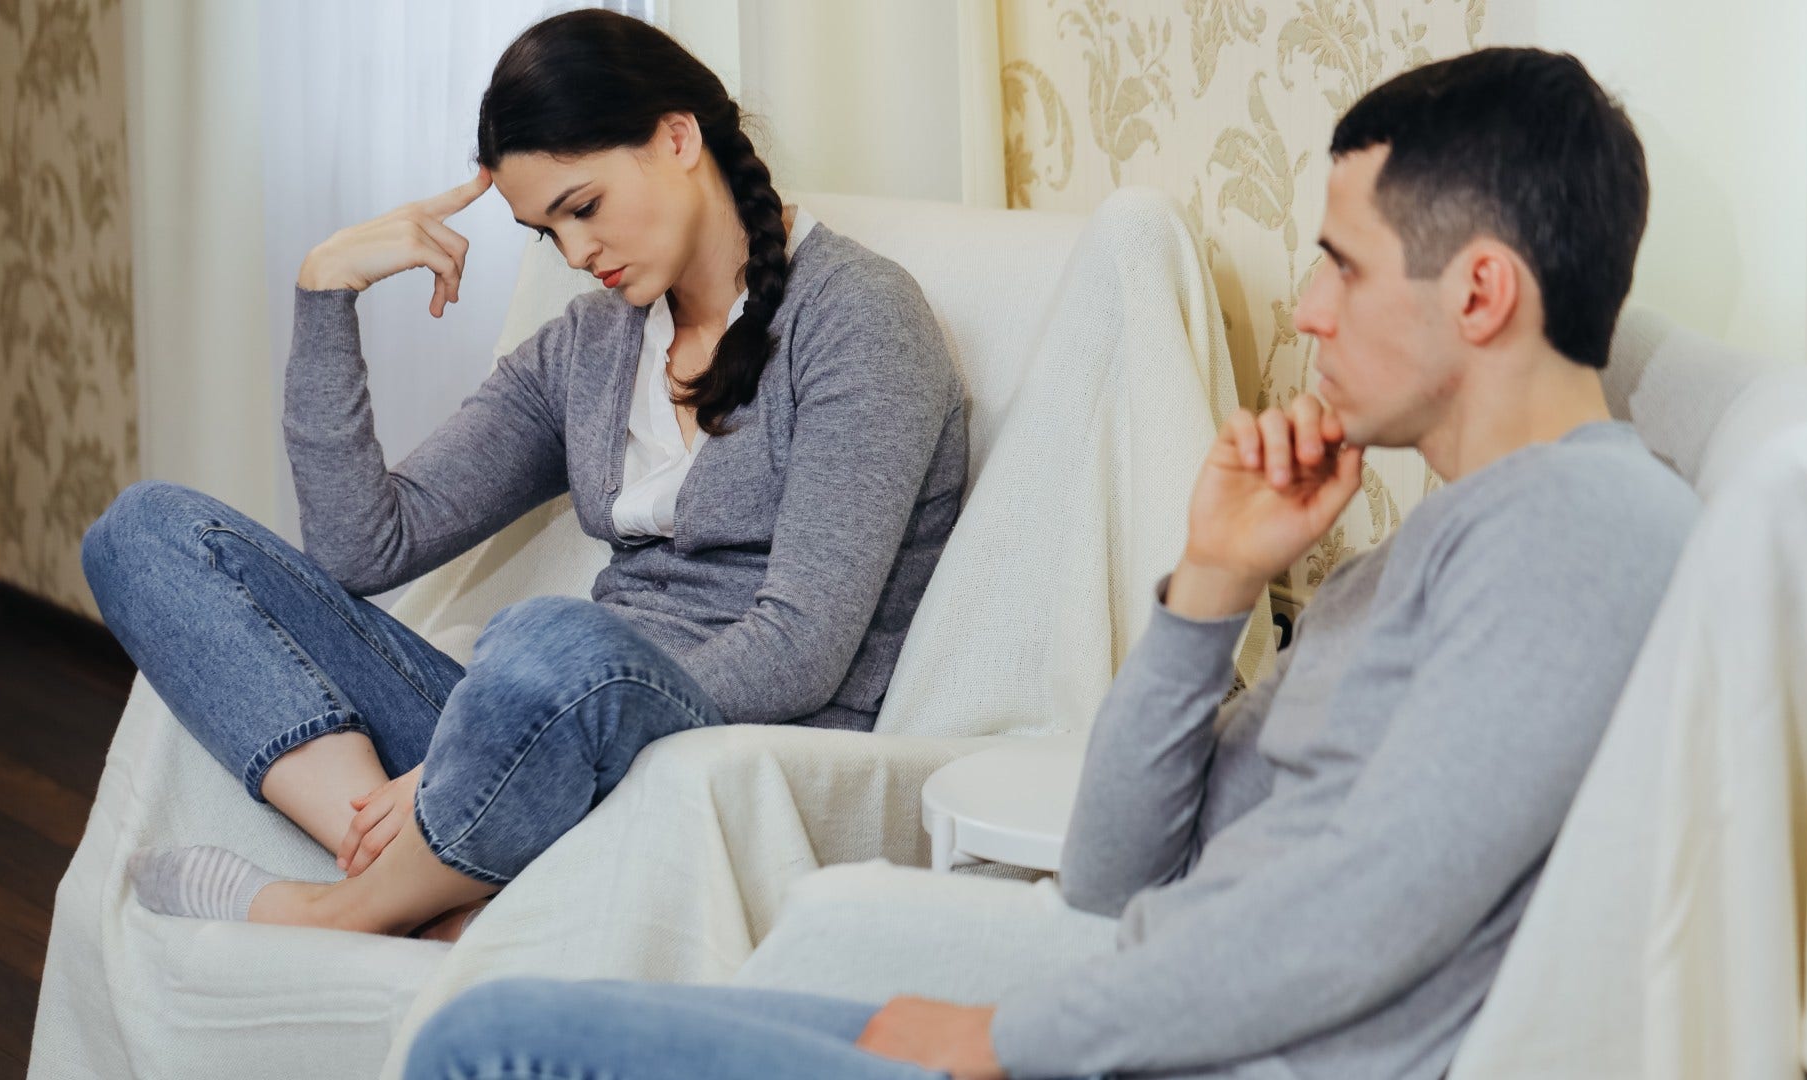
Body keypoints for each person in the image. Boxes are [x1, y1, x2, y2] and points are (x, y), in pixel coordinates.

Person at [401, 45, 1700, 1079]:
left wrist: (1008, 1036)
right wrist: (1212, 587)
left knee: (485, 1045)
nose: (1306, 307)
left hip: (1149, 1053)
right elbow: (1115, 869)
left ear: (1478, 295)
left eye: (1342, 265)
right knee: (536, 1013)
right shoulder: (1420, 554)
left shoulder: (1582, 534)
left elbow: (1368, 913)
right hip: (1120, 1024)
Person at [81, 9, 965, 943]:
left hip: (707, 753)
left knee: (549, 640)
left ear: (677, 136)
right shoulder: (591, 347)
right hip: (528, 738)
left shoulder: (859, 318)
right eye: (548, 232)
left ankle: (339, 910)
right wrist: (325, 291)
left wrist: (504, 731)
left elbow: (799, 650)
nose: (577, 255)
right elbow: (363, 546)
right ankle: (429, 887)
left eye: (581, 207)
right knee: (146, 532)